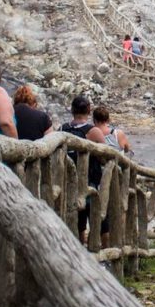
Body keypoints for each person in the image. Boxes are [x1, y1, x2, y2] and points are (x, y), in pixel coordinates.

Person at [59, 95, 107, 245]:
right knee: (100, 220)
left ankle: (79, 250)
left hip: (68, 182)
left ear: (72, 110)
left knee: (78, 221)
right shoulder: (93, 131)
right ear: (88, 110)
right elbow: (105, 157)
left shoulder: (62, 128)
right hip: (89, 181)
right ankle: (102, 255)